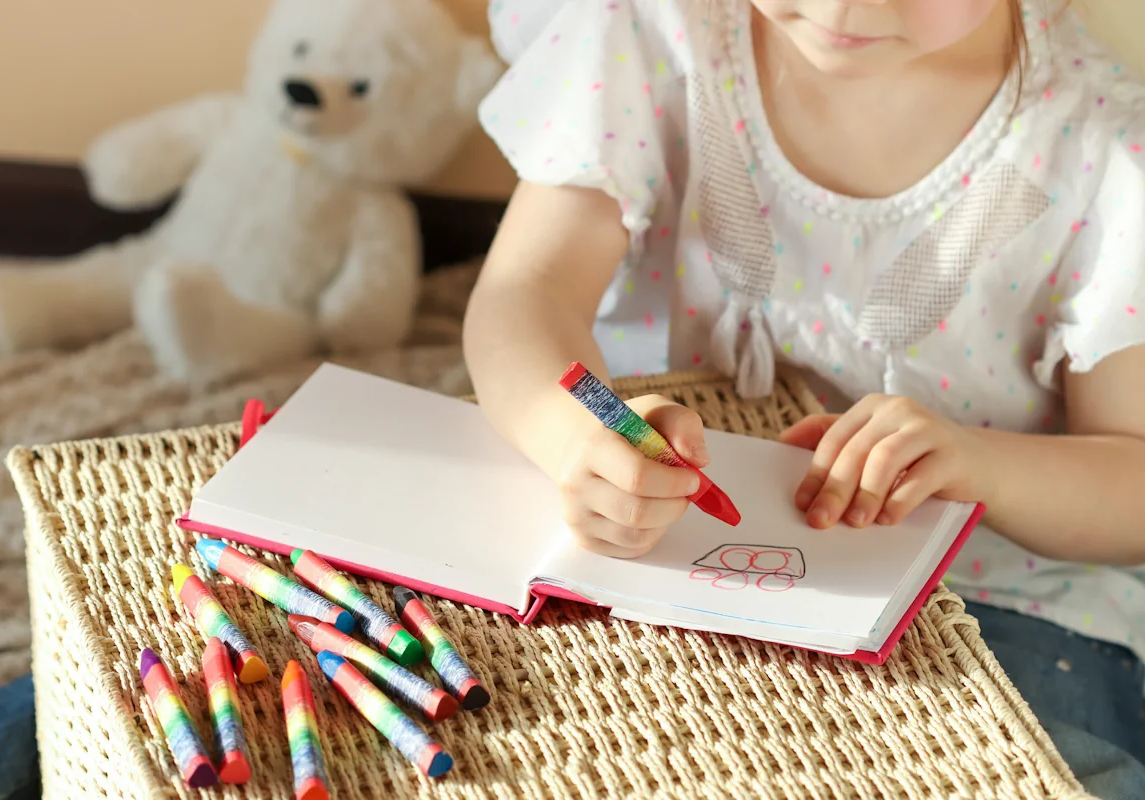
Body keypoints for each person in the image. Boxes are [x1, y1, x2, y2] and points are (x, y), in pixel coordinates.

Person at [465, 1, 1145, 796]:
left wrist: (980, 467)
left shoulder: (1102, 146)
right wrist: (580, 437)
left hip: (997, 605)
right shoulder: (651, 29)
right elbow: (524, 294)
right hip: (668, 565)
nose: (841, 8)